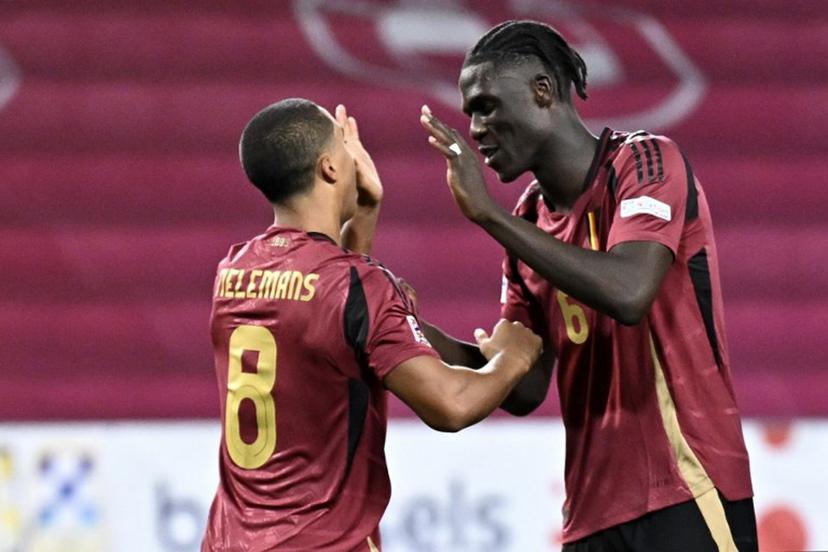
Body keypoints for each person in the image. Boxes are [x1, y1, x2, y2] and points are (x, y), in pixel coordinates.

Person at [418, 20, 757, 552]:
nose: (476, 128)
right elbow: (523, 385)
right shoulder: (527, 218)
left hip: (688, 489)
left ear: (542, 90)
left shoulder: (643, 162)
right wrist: (407, 325)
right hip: (591, 516)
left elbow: (628, 292)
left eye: (485, 105)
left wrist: (487, 216)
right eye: (470, 114)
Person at [201, 98, 542, 551]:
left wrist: (363, 215)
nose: (354, 155)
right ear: (328, 168)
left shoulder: (234, 272)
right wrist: (512, 360)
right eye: (345, 147)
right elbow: (450, 404)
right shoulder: (359, 285)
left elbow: (327, 323)